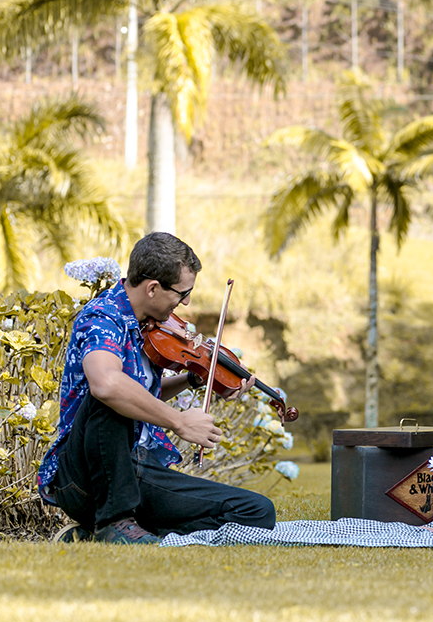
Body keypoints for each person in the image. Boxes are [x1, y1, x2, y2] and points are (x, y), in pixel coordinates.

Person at [38, 232, 276, 544]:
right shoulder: (102, 317)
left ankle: (112, 533)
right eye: (183, 292)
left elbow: (143, 394)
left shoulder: (150, 327)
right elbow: (106, 385)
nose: (186, 302)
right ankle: (114, 522)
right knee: (111, 392)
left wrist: (194, 378)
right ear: (152, 288)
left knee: (256, 512)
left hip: (136, 468)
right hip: (86, 476)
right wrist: (179, 421)